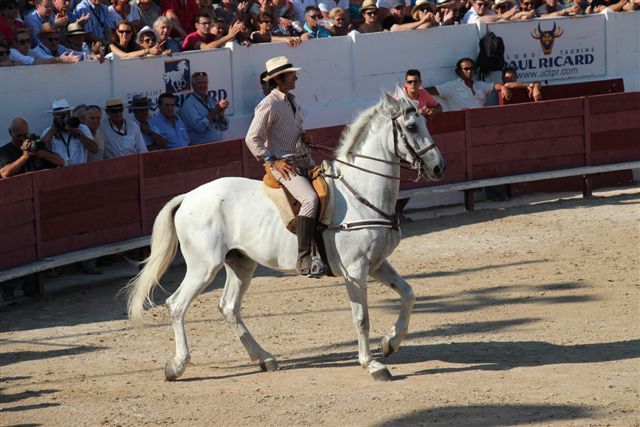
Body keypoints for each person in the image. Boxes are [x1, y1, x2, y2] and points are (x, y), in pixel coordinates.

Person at [245, 56, 326, 277]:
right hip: (285, 166)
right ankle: (304, 259)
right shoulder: (268, 104)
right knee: (310, 199)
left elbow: (286, 131)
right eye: (292, 74)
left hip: (302, 159)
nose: (296, 76)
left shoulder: (292, 100)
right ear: (280, 79)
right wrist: (271, 159)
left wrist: (304, 137)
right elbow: (252, 138)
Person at [425, 57, 512, 111]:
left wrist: (502, 87)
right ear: (459, 72)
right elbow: (429, 91)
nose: (469, 71)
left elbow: (494, 86)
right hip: (461, 122)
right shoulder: (452, 86)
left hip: (481, 120)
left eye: (471, 68)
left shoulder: (480, 85)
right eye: (466, 69)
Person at [40, 99, 98, 166]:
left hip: (80, 170)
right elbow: (41, 149)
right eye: (59, 114)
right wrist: (54, 129)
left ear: (70, 113)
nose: (63, 117)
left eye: (65, 114)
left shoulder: (82, 128)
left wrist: (78, 133)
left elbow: (94, 150)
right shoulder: (49, 131)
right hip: (60, 171)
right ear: (54, 115)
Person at [180, 71, 229, 144]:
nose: (202, 85)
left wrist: (221, 116)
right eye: (199, 83)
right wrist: (215, 111)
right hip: (201, 149)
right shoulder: (188, 104)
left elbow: (223, 128)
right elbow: (199, 127)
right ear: (193, 85)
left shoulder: (211, 100)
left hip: (218, 145)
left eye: (205, 83)